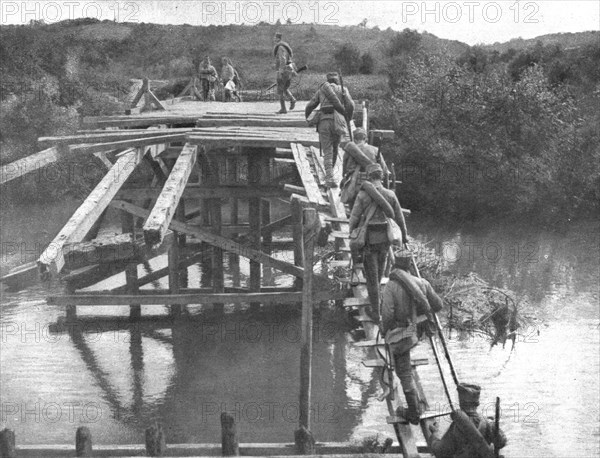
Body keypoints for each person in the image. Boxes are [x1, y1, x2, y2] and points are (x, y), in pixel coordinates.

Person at [381, 246, 443, 425]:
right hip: (413, 331)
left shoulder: (391, 286)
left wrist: (384, 330)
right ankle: (415, 406)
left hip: (400, 334)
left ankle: (413, 412)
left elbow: (387, 315)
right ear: (409, 265)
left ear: (395, 264)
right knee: (404, 366)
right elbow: (437, 305)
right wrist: (419, 320)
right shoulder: (421, 282)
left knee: (403, 371)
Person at [349, 164, 408, 322]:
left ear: (369, 177)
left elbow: (354, 218)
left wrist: (352, 233)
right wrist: (405, 235)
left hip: (369, 242)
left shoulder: (363, 195)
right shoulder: (390, 194)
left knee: (371, 277)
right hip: (385, 242)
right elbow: (399, 218)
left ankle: (376, 313)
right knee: (381, 274)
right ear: (381, 177)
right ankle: (380, 306)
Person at [428, 384, 507, 458]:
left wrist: (434, 434)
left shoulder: (456, 427)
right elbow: (502, 442)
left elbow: (440, 451)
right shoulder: (488, 423)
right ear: (477, 404)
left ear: (461, 403)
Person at [305, 72, 355, 188]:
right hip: (338, 121)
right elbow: (351, 105)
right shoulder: (343, 89)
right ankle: (330, 174)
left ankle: (330, 177)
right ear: (337, 80)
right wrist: (349, 118)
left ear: (328, 80)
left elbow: (311, 104)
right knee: (335, 147)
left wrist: (307, 118)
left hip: (324, 121)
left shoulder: (322, 89)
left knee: (327, 149)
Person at [341, 127, 389, 206]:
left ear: (354, 139)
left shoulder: (349, 150)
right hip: (373, 185)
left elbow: (344, 170)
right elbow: (384, 170)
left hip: (355, 185)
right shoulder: (375, 150)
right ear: (366, 138)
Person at [273, 32, 297, 114]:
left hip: (284, 70)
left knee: (280, 90)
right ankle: (292, 99)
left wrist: (280, 71)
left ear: (278, 39)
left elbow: (282, 59)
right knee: (285, 88)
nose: (274, 39)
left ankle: (283, 109)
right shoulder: (286, 47)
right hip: (289, 69)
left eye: (275, 38)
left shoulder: (280, 47)